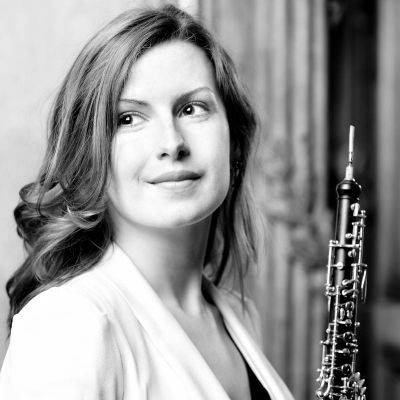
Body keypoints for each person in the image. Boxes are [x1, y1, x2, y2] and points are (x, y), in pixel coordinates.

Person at [0, 5, 294, 400]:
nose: (171, 143)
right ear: (91, 155)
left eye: (192, 109)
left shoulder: (239, 315)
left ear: (234, 142)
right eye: (129, 119)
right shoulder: (70, 322)